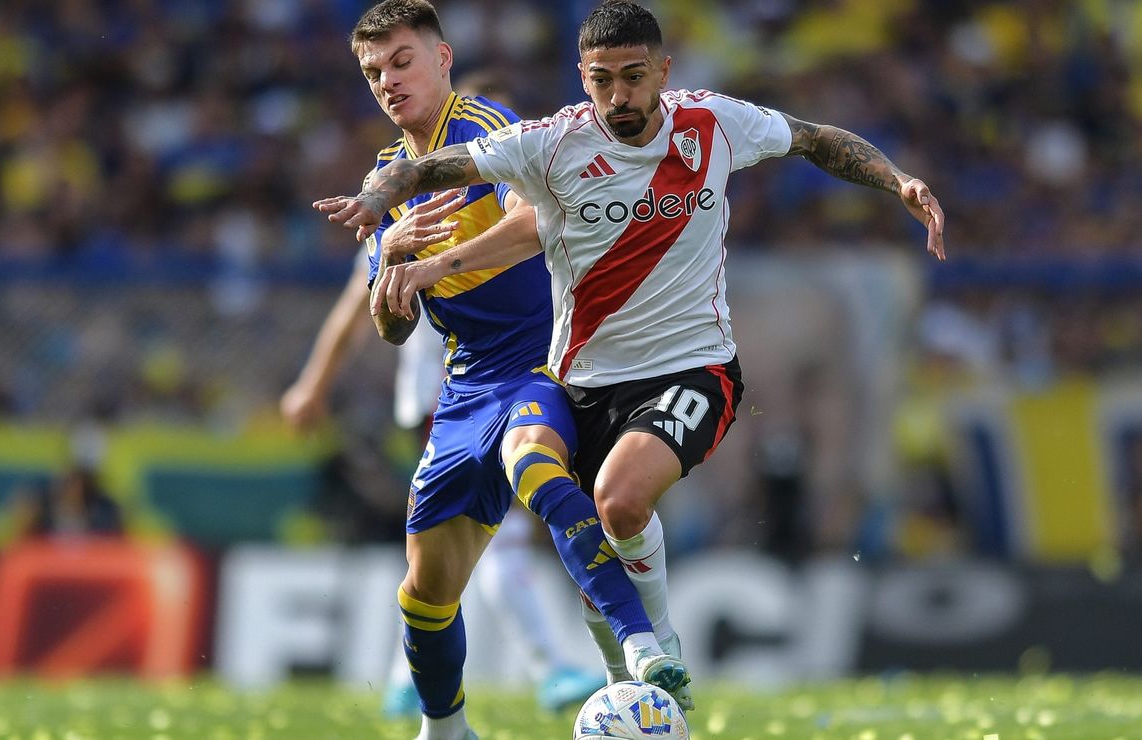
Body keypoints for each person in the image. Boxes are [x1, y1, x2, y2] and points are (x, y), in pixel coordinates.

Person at [314, 0, 947, 715]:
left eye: (633, 77)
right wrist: (384, 225)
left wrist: (897, 180)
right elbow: (412, 226)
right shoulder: (542, 144)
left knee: (593, 490)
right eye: (601, 80)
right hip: (556, 380)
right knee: (487, 568)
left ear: (663, 72)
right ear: (583, 78)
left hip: (659, 367)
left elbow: (812, 138)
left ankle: (649, 641)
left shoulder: (703, 122)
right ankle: (572, 699)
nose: (618, 95)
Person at [319, 3, 688, 739]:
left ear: (442, 59)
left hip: (548, 358)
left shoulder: (486, 129)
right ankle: (446, 731)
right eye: (373, 72)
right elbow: (393, 327)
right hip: (466, 386)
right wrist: (395, 258)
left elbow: (534, 224)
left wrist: (436, 263)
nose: (388, 81)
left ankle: (641, 643)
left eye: (402, 61)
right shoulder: (385, 180)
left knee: (533, 465)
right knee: (425, 591)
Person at [282, 68, 611, 717]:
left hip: (516, 375)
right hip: (448, 389)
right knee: (491, 533)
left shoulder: (528, 193)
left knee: (451, 547)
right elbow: (359, 308)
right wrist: (313, 383)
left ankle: (407, 676)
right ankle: (548, 666)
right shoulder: (408, 202)